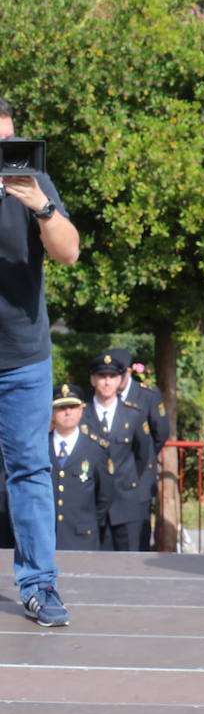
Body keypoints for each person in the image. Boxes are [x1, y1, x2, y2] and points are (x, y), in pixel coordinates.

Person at [0, 95, 79, 626]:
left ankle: (38, 583)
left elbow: (69, 251)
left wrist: (41, 207)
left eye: (7, 140)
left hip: (22, 359)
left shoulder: (31, 184)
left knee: (29, 468)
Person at [84, 353, 155, 552]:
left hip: (124, 501)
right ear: (93, 379)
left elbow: (142, 455)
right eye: (101, 376)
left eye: (112, 377)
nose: (107, 382)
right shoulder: (83, 414)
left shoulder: (133, 414)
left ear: (120, 380)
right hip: (92, 502)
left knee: (128, 563)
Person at [108, 347, 167, 551]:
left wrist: (145, 457)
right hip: (113, 478)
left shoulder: (146, 394)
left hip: (139, 476)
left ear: (128, 372)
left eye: (118, 373)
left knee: (137, 535)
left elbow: (160, 433)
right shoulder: (103, 397)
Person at [49, 384, 111, 551]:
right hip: (46, 538)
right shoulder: (40, 447)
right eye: (61, 408)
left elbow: (104, 497)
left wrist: (87, 524)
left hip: (82, 538)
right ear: (52, 413)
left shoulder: (95, 449)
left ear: (81, 410)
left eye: (72, 407)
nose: (68, 412)